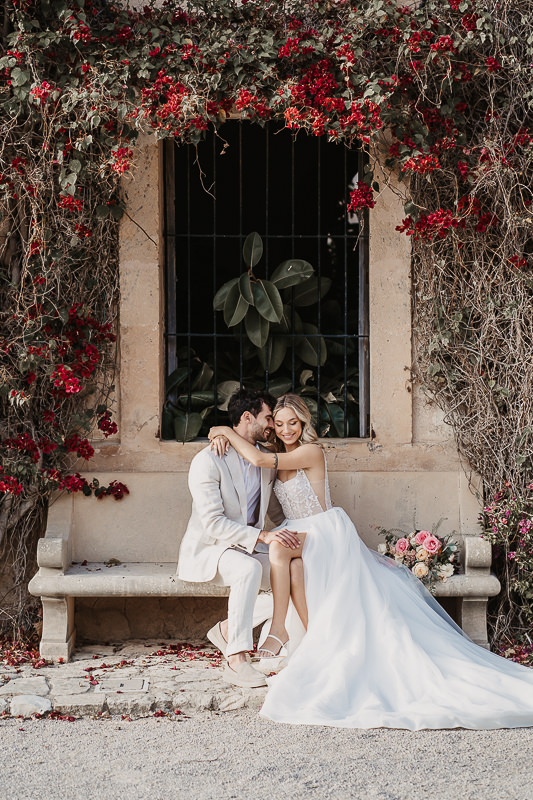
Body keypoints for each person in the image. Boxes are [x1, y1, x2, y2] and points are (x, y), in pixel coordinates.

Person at [208, 393, 533, 730]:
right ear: (271, 425)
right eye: (280, 423)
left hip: (323, 530)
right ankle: (315, 640)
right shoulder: (275, 453)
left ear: (304, 424)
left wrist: (222, 429)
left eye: (294, 422)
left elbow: (260, 464)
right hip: (299, 531)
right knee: (292, 565)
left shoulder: (311, 452)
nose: (287, 429)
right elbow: (265, 478)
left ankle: (277, 630)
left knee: (278, 550)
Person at [177, 388, 302, 690]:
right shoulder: (208, 460)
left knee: (293, 568)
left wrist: (299, 537)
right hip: (213, 549)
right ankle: (237, 659)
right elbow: (213, 524)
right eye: (268, 418)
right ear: (247, 418)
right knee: (249, 569)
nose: (273, 425)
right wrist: (263, 535)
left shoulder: (264, 463)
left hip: (248, 547)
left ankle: (230, 629)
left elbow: (275, 513)